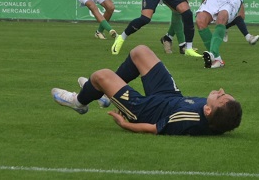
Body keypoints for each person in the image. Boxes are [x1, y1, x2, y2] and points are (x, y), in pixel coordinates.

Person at [51, 45, 242, 135]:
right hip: (168, 96)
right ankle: (102, 93)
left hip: (143, 109)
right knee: (140, 51)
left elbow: (154, 128)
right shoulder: (217, 114)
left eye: (221, 96)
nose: (220, 90)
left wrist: (125, 125)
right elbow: (224, 121)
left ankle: (79, 102)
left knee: (101, 75)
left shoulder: (188, 119)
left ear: (208, 111)